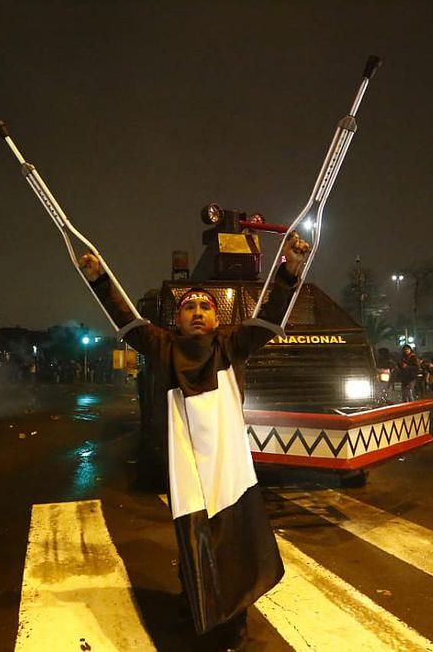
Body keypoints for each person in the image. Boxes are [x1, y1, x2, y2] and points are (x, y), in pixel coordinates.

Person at [79, 232, 310, 651]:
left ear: (217, 319)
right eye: (190, 307)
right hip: (187, 468)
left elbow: (270, 319)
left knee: (236, 539)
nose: (199, 312)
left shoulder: (231, 343)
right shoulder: (163, 346)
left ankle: (235, 615)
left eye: (206, 306)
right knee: (193, 539)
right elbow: (128, 322)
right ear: (177, 320)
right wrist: (99, 280)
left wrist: (290, 270)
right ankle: (196, 605)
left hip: (228, 466)